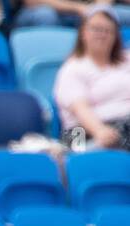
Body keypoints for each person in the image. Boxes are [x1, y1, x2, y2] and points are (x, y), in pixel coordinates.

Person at [54, 8, 130, 151]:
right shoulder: (72, 68)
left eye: (108, 31)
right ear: (83, 32)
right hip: (81, 133)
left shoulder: (126, 60)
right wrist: (99, 130)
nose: (102, 35)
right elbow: (80, 108)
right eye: (96, 29)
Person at [14, 0, 130, 29]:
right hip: (48, 10)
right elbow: (32, 2)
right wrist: (77, 8)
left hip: (88, 11)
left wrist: (99, 11)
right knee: (45, 15)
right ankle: (50, 66)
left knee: (126, 15)